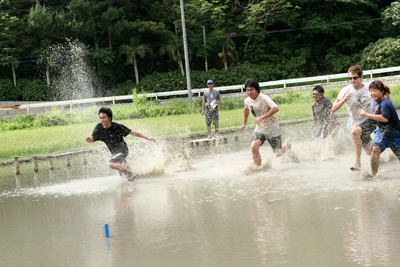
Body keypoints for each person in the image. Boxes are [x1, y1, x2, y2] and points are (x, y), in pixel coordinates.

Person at [85, 107, 156, 180]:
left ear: (109, 117)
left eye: (104, 117)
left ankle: (132, 173)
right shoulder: (99, 128)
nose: (102, 120)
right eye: (100, 118)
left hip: (123, 150)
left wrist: (147, 138)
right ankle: (140, 176)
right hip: (115, 153)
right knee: (125, 176)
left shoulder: (117, 127)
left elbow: (132, 132)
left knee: (111, 163)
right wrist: (90, 140)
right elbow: (92, 138)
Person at [332, 65, 375, 171]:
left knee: (354, 132)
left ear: (361, 77)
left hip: (371, 119)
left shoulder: (370, 86)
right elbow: (333, 109)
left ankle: (357, 163)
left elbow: (384, 89)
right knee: (370, 151)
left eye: (355, 78)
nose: (352, 80)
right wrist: (343, 101)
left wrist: (386, 106)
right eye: (350, 78)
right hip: (357, 123)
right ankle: (380, 159)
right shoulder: (346, 90)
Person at [241, 78, 290, 166]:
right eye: (247, 90)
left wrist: (262, 117)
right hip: (260, 127)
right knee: (254, 147)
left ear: (257, 89)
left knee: (278, 153)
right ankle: (258, 168)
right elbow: (246, 110)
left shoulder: (264, 98)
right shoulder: (247, 100)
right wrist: (244, 123)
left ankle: (286, 145)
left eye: (251, 90)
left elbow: (276, 108)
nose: (249, 92)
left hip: (271, 126)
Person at [360, 81, 400, 176]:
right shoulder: (377, 101)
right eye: (371, 91)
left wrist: (367, 114)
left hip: (395, 135)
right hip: (383, 133)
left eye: (375, 91)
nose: (373, 93)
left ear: (382, 92)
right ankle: (373, 175)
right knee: (375, 149)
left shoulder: (385, 103)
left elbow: (384, 119)